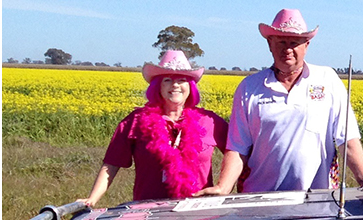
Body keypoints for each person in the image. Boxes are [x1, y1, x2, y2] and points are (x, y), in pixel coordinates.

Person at [196, 9, 363, 196]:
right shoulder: (249, 87)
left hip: (317, 198)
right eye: (281, 41)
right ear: (270, 44)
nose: (288, 49)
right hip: (260, 199)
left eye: (294, 43)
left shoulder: (328, 80)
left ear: (307, 45)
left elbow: (347, 140)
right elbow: (237, 147)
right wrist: (223, 187)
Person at [80, 50, 227, 206]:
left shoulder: (210, 121)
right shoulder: (135, 121)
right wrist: (92, 199)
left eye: (182, 80)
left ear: (190, 87)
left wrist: (224, 186)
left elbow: (238, 152)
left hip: (198, 211)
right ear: (158, 86)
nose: (175, 85)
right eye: (167, 80)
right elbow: (111, 164)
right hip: (148, 214)